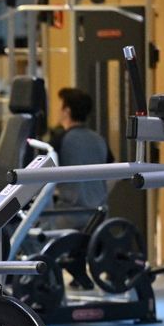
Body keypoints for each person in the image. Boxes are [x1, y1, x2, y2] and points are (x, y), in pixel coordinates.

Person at [49, 87, 112, 224]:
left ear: (67, 111)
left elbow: (43, 175)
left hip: (69, 216)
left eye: (60, 106)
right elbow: (114, 175)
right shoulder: (99, 139)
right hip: (98, 216)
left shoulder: (60, 140)